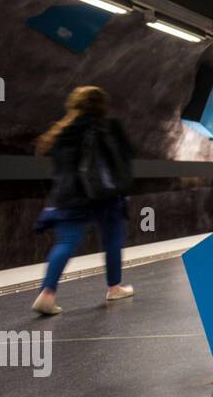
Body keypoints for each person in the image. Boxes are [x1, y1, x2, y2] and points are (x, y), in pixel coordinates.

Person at [31, 86, 136, 315]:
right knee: (112, 241)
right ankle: (114, 287)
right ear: (102, 106)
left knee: (66, 243)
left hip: (68, 196)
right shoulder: (108, 127)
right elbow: (126, 156)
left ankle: (47, 294)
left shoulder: (62, 131)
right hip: (104, 194)